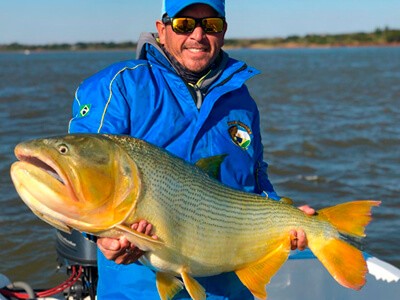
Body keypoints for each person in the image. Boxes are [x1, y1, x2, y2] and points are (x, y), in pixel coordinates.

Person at [68, 0, 315, 298]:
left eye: (210, 24)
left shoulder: (242, 100)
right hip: (139, 290)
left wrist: (285, 216)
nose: (198, 35)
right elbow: (82, 178)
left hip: (229, 290)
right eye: (184, 24)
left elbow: (256, 180)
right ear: (161, 29)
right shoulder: (119, 86)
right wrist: (98, 236)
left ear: (223, 32)